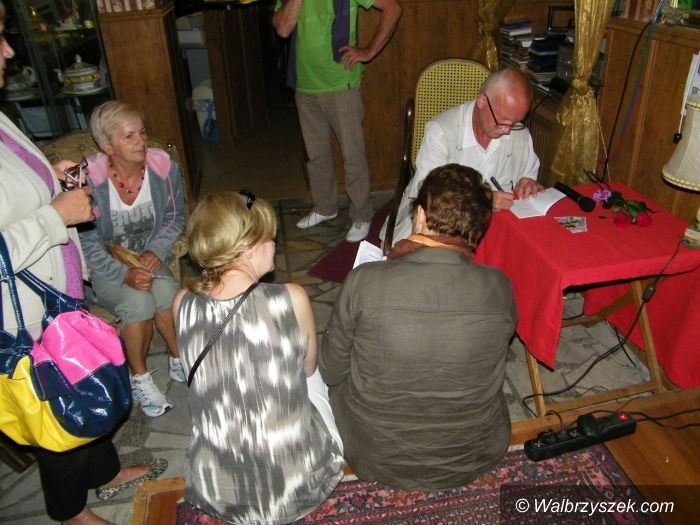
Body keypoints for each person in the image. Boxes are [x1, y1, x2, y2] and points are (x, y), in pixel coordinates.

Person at [0, 5, 166, 523]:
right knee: (56, 405)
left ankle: (103, 471)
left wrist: (48, 178)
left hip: (53, 291)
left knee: (82, 377)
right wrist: (54, 216)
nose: (9, 49)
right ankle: (69, 511)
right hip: (22, 311)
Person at [320, 164, 517, 490]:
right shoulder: (500, 286)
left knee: (316, 373)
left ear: (421, 216)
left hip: (374, 453)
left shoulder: (364, 280)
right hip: (474, 451)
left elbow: (330, 370)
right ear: (479, 228)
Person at [173, 191, 344, 524]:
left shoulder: (182, 303)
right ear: (247, 248)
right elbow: (309, 369)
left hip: (218, 490)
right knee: (315, 377)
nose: (274, 245)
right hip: (297, 486)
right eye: (268, 238)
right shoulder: (291, 298)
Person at [79, 100, 186, 417]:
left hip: (149, 259)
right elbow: (85, 242)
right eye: (129, 136)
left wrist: (156, 251)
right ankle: (139, 377)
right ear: (106, 145)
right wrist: (122, 274)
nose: (141, 142)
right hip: (106, 266)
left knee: (167, 293)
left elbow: (175, 217)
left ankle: (179, 359)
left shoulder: (162, 168)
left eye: (142, 132)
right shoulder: (88, 181)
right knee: (138, 304)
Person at [273, 0, 402, 242]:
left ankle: (362, 214)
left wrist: (368, 51)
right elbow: (283, 28)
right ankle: (325, 207)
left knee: (353, 155)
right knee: (316, 154)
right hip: (305, 84)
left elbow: (393, 8)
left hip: (341, 84)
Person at [382, 66, 543, 247]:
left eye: (515, 122)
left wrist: (528, 182)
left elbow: (528, 173)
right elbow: (429, 197)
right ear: (481, 100)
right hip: (442, 226)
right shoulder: (442, 131)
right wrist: (483, 200)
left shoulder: (519, 133)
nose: (507, 130)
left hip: (498, 228)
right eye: (502, 121)